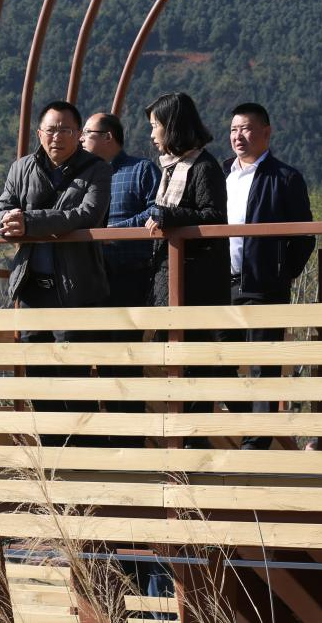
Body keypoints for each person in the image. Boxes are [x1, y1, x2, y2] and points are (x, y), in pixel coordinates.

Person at [0, 100, 110, 445]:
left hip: (76, 288)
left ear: (79, 134)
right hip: (32, 287)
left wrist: (30, 222)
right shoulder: (22, 168)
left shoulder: (97, 169)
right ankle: (52, 453)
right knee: (37, 375)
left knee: (74, 372)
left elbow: (87, 214)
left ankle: (85, 452)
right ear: (39, 132)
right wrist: (5, 224)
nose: (57, 136)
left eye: (65, 130)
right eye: (51, 129)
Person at [223, 103, 315, 450]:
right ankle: (252, 424)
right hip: (222, 283)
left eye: (245, 129)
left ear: (266, 132)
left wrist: (282, 273)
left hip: (264, 285)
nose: (238, 136)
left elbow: (305, 236)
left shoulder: (285, 178)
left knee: (263, 365)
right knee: (217, 361)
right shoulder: (220, 174)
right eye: (233, 130)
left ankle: (256, 445)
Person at [143, 93, 229, 446]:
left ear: (173, 126)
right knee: (173, 360)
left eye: (156, 126)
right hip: (170, 279)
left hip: (196, 283)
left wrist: (169, 216)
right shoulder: (171, 167)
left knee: (193, 362)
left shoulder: (204, 167)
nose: (152, 134)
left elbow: (213, 216)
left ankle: (192, 443)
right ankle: (177, 440)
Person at [82, 112, 158, 431]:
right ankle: (108, 432)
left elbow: (156, 210)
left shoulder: (141, 170)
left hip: (130, 274)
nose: (81, 139)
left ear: (108, 137)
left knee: (126, 354)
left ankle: (131, 434)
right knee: (99, 355)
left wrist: (114, 230)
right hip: (92, 276)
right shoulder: (83, 176)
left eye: (87, 133)